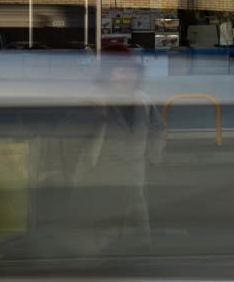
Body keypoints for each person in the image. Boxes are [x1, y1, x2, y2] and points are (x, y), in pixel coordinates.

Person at [62, 45, 164, 255]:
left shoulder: (143, 100)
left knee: (134, 239)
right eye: (121, 71)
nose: (128, 77)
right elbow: (68, 138)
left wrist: (152, 158)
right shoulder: (91, 100)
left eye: (132, 71)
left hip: (133, 180)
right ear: (108, 73)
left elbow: (157, 130)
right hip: (97, 179)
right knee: (97, 240)